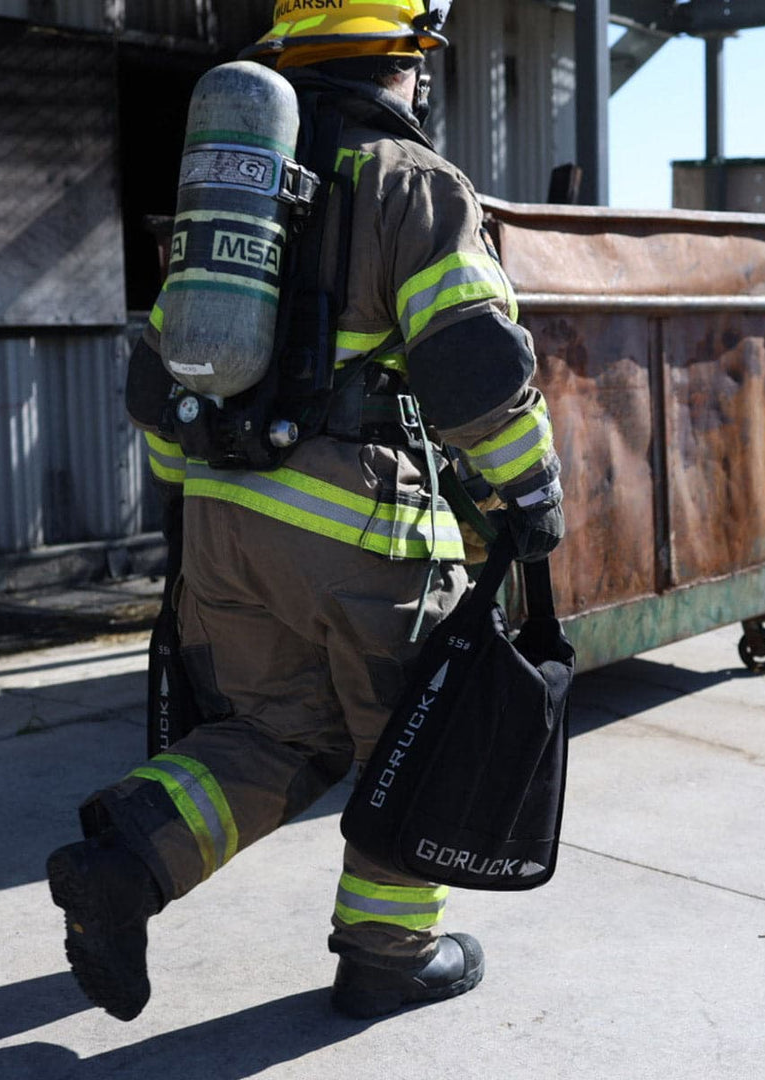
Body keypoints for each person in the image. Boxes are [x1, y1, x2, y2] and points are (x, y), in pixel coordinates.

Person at [46, 0, 564, 1023]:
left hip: (222, 522)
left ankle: (124, 865)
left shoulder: (227, 186)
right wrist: (530, 487)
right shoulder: (414, 184)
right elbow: (472, 363)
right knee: (416, 733)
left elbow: (163, 377)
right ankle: (388, 956)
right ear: (409, 57)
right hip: (359, 532)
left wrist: (190, 507)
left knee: (280, 729)